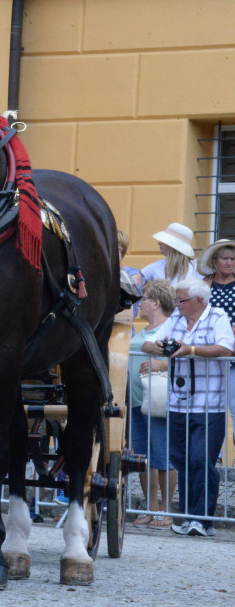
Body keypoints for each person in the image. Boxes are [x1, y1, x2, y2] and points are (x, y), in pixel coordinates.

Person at [142, 278, 233, 537]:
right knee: (181, 460)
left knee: (201, 459)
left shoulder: (217, 316)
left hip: (209, 404)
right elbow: (147, 343)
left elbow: (227, 347)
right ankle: (187, 516)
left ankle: (203, 520)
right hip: (178, 403)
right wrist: (158, 347)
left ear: (199, 300)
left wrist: (190, 349)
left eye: (181, 300)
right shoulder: (176, 319)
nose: (177, 304)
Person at [129, 280, 178, 528]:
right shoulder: (146, 329)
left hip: (157, 400)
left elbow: (184, 359)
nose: (140, 303)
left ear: (156, 303)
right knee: (143, 458)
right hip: (137, 400)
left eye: (144, 298)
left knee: (163, 456)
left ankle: (166, 511)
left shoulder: (170, 327)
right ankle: (151, 509)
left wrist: (163, 365)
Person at [197, 239, 235, 429]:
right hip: (208, 352)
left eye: (233, 259)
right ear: (214, 261)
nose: (229, 263)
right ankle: (212, 448)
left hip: (232, 352)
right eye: (225, 259)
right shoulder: (204, 285)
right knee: (207, 407)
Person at [141, 222, 200, 287]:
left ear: (171, 246)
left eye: (163, 240)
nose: (159, 243)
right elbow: (137, 282)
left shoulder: (198, 268)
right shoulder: (155, 267)